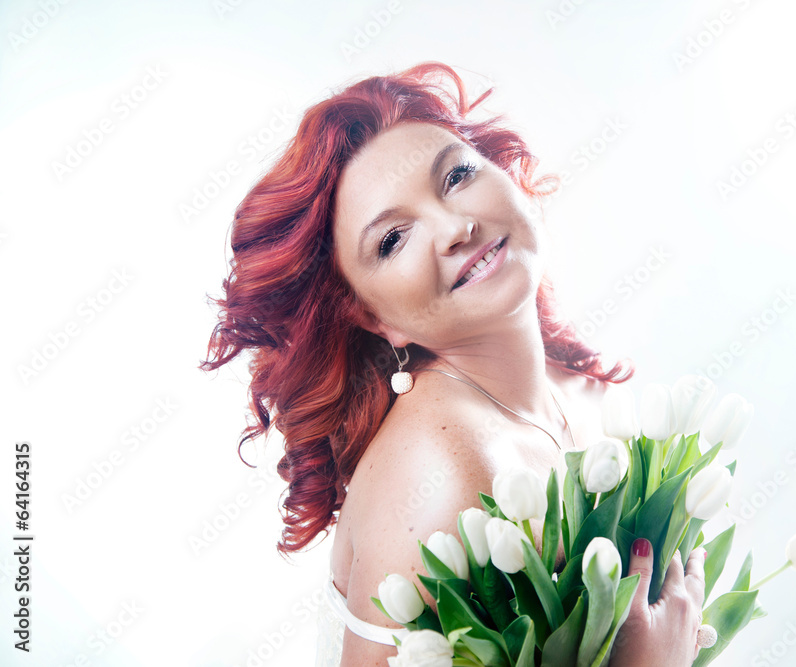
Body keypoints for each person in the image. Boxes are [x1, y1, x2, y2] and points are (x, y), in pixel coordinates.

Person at [202, 62, 706, 666]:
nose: (456, 227)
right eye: (393, 239)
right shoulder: (436, 476)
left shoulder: (580, 391)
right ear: (371, 317)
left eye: (457, 175)